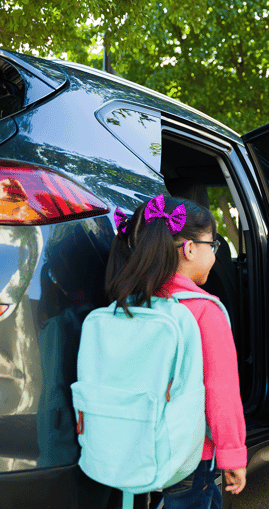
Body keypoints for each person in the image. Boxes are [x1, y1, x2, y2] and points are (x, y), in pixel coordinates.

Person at [105, 194, 247, 508]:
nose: (214, 255)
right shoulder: (203, 310)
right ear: (190, 248)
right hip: (189, 455)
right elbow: (220, 391)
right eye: (214, 246)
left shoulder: (127, 305)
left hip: (135, 448)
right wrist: (232, 453)